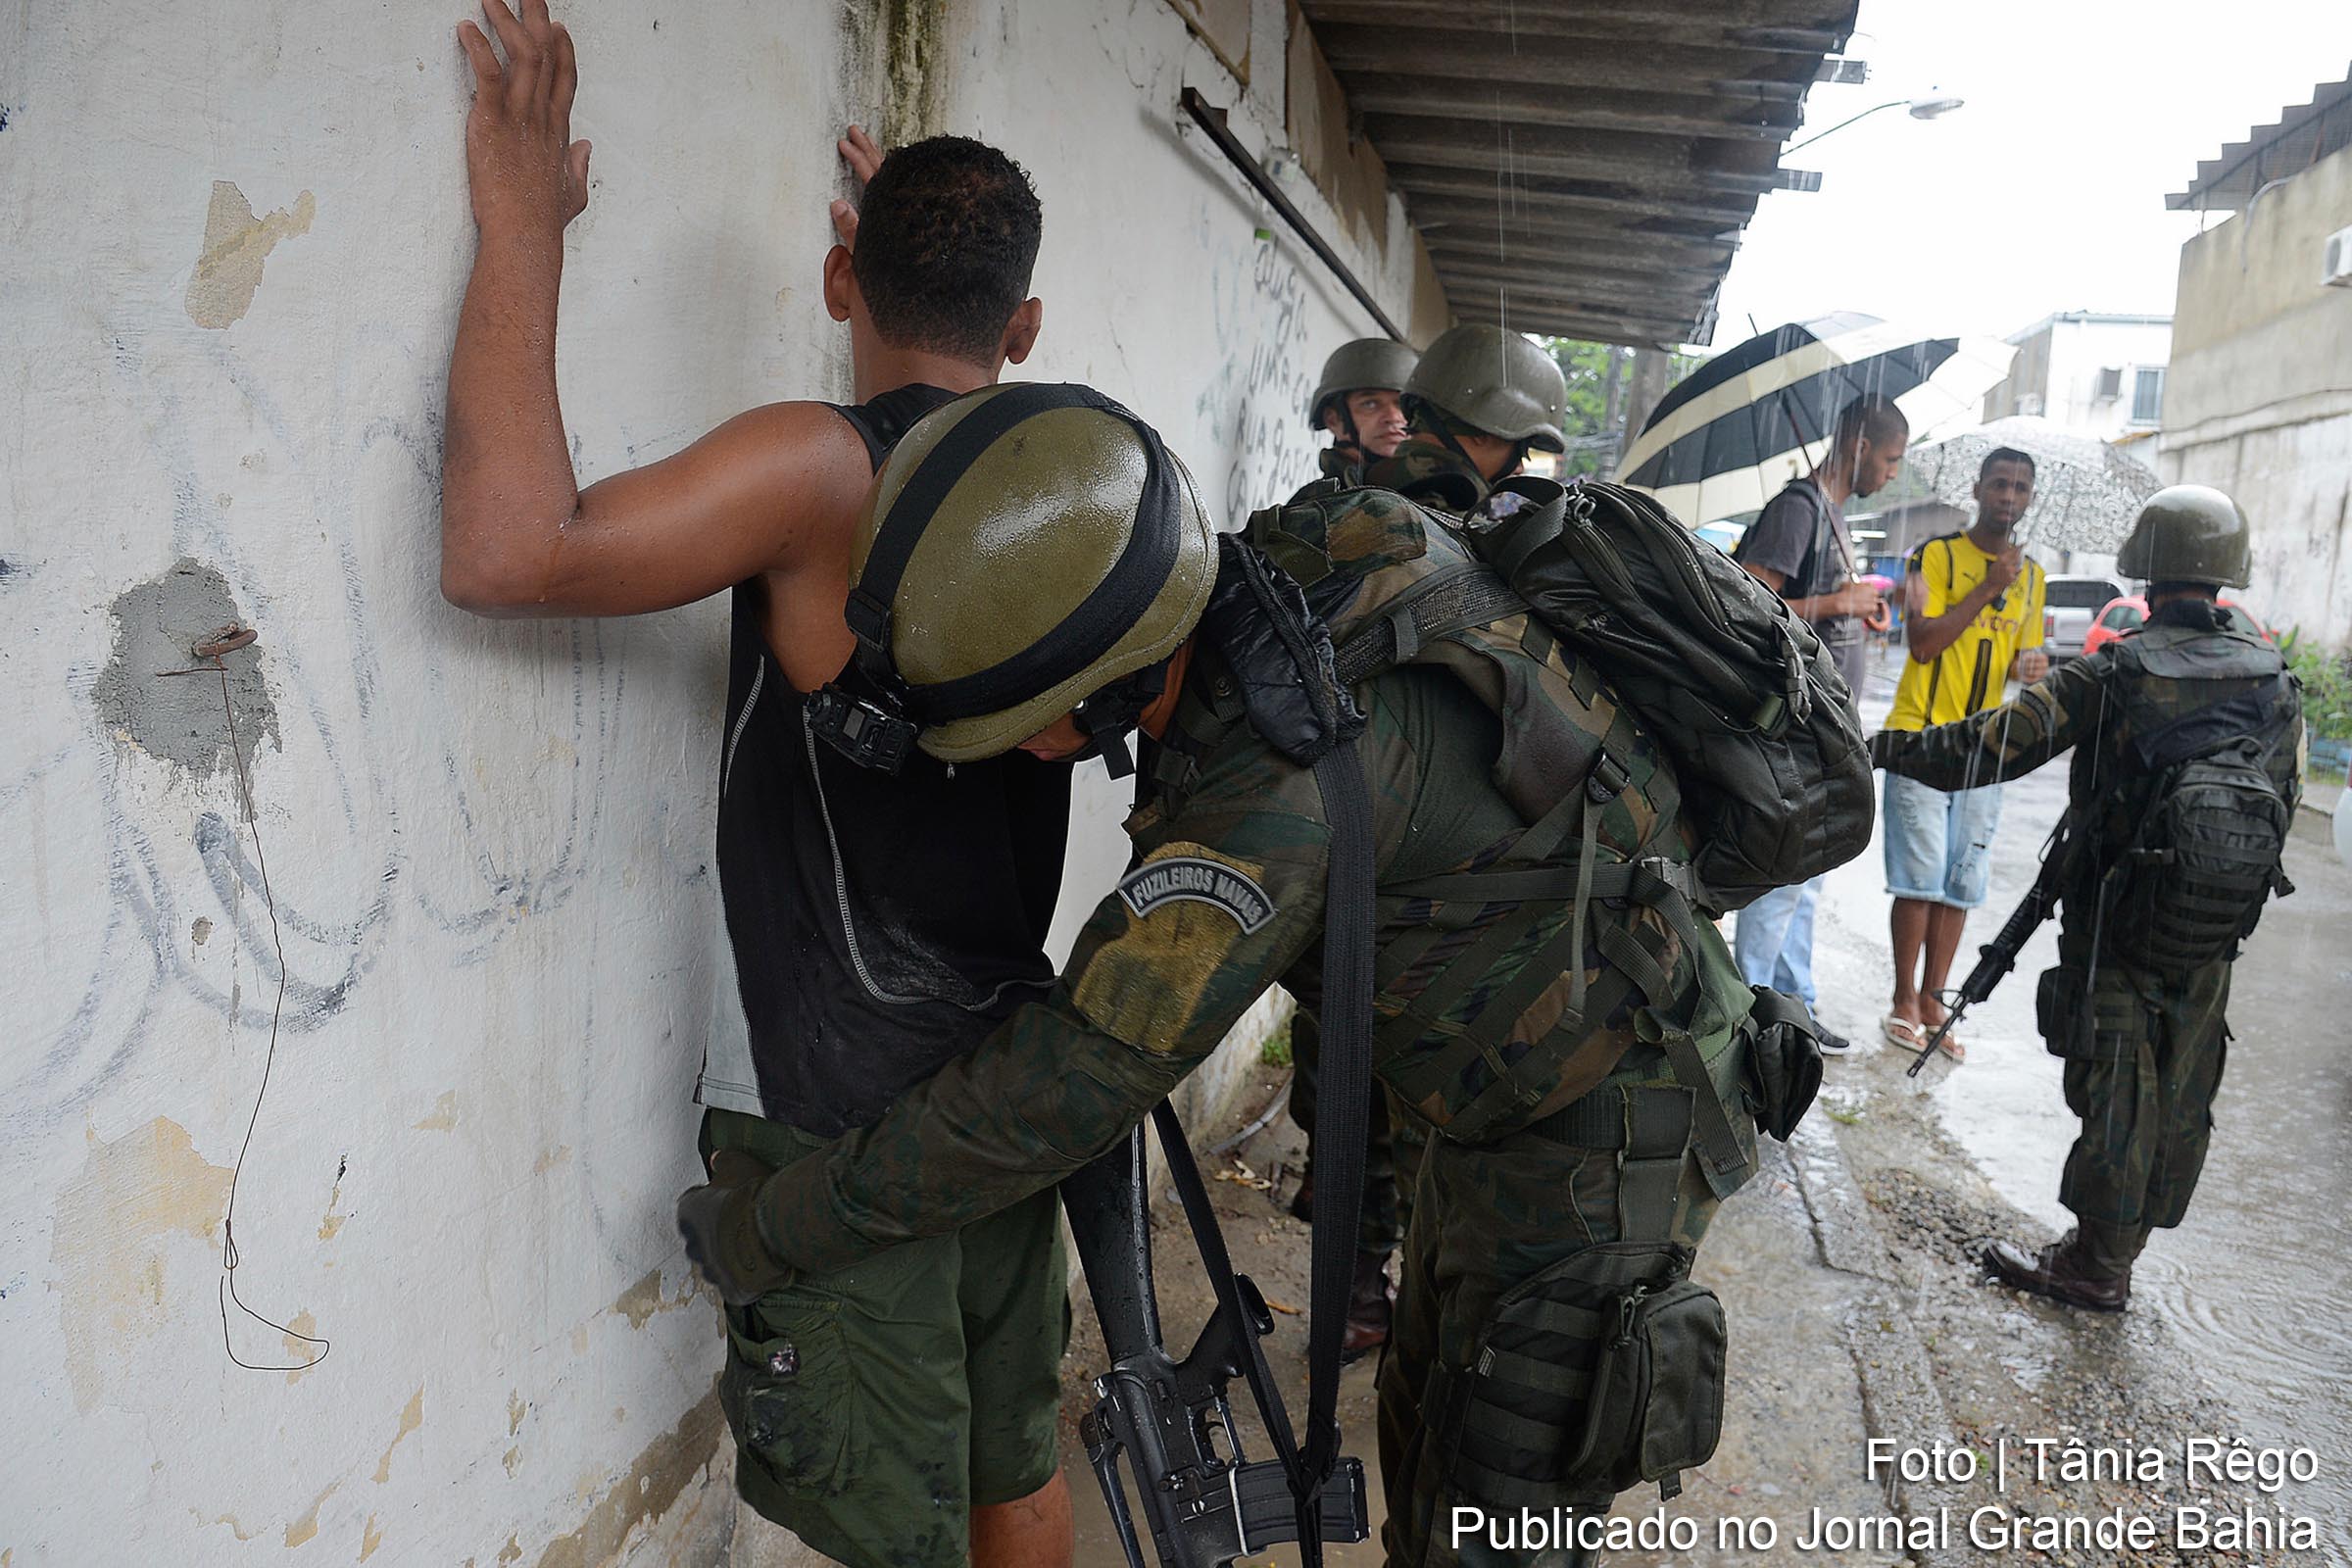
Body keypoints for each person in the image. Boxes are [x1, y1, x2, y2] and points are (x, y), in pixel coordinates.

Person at [678, 364, 1790, 1568]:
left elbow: (1070, 1083)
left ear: (1106, 685)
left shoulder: (1275, 792)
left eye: (1023, 727)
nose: (1023, 757)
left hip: (1609, 1128)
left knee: (1494, 1522)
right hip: (1520, 1097)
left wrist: (774, 1225)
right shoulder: (1274, 569)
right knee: (1433, 1430)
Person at [440, 6, 1073, 1563]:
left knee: (881, 1530)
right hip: (1015, 1085)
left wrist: (523, 224)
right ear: (1029, 324)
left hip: (833, 1124)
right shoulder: (1076, 476)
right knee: (1016, 1473)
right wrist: (913, 241)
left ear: (839, 276)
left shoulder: (825, 473)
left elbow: (507, 552)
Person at [1872, 487, 2301, 1309]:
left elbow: (1984, 752)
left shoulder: (2116, 670)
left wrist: (1881, 747)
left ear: (2143, 570)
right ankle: (2118, 1247)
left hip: (2118, 917)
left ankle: (2096, 1270)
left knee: (2117, 1085)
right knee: (2179, 1084)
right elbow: (2278, 798)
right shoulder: (2275, 679)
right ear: (2227, 577)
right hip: (2213, 924)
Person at [1291, 322, 1572, 1360]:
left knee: (1377, 1101)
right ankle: (1377, 1295)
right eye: (1368, 405)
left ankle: (1377, 1292)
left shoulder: (1392, 522)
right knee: (1381, 1107)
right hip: (1412, 867)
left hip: (1392, 865)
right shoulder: (1371, 525)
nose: (1388, 417)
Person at [1730, 396, 1908, 1051]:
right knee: (1782, 876)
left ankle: (1791, 1003)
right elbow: (1746, 598)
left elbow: (1813, 613)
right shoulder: (1798, 509)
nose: (1891, 475)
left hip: (1827, 730)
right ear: (1860, 445)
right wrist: (1835, 600)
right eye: (1890, 460)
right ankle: (1749, 1012)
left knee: (1808, 875)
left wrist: (1853, 610)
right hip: (1794, 728)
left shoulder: (1831, 515)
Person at [1879, 446, 2050, 1062]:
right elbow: (1923, 643)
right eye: (1999, 484)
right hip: (1923, 741)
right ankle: (1903, 999)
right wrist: (1987, 587)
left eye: (2021, 488)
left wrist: (2031, 667)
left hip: (1988, 750)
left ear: (2030, 498)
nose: (2008, 497)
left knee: (1959, 884)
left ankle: (1933, 1000)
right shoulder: (1934, 556)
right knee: (1918, 881)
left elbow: (2018, 663)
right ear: (1978, 489)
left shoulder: (2032, 577)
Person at [1299, 336, 1418, 492]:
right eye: (1370, 404)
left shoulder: (1432, 493)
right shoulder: (1319, 508)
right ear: (1333, 420)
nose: (1393, 417)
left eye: (1402, 405)